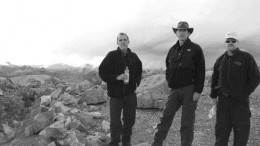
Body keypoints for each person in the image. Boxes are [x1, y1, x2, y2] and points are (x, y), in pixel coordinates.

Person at [151, 21, 205, 146]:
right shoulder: (172, 50)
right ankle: (156, 143)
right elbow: (168, 68)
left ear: (188, 32)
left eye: (184, 30)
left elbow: (201, 71)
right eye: (179, 30)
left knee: (186, 122)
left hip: (190, 89)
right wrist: (169, 80)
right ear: (176, 33)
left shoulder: (196, 49)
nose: (181, 32)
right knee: (165, 117)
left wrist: (198, 91)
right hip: (174, 90)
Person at [210, 32, 260, 146]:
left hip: (240, 104)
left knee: (241, 138)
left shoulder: (246, 58)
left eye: (233, 41)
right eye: (228, 41)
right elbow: (214, 79)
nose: (230, 43)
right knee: (221, 137)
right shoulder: (220, 60)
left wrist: (245, 93)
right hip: (223, 103)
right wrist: (213, 97)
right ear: (225, 43)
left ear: (238, 42)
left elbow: (256, 77)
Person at [99, 32, 142, 146]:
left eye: (125, 39)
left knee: (129, 121)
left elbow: (139, 70)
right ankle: (115, 142)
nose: (123, 42)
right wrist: (116, 77)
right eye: (120, 40)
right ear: (117, 42)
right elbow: (102, 71)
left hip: (130, 95)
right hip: (115, 96)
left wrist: (137, 82)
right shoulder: (111, 56)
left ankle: (126, 142)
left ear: (128, 41)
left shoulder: (134, 57)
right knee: (115, 122)